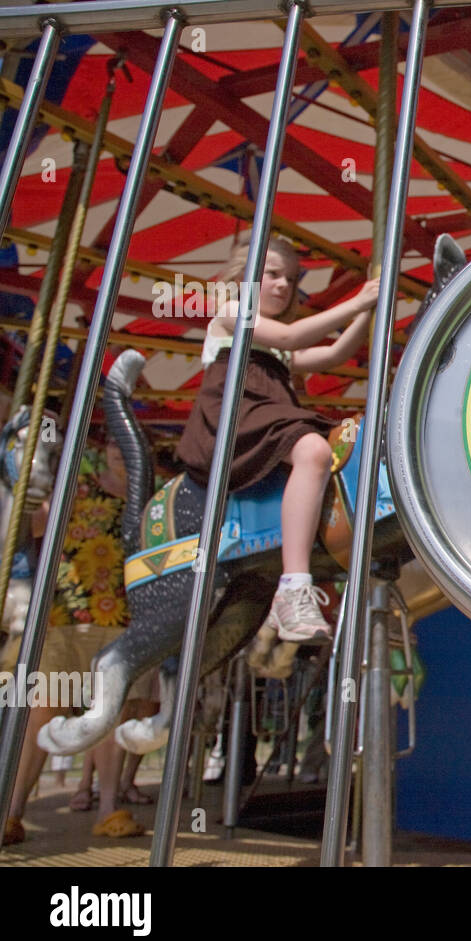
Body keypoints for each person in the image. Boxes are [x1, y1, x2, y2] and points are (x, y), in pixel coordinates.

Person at [176, 237, 379, 644]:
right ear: (242, 278)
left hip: (269, 417)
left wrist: (372, 307)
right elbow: (290, 338)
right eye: (272, 274)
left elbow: (334, 355)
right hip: (237, 414)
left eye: (291, 278)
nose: (284, 285)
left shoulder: (281, 355)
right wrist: (356, 303)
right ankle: (292, 587)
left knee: (339, 448)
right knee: (314, 448)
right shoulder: (231, 313)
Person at [3, 443, 154, 843]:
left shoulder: (148, 498)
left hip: (122, 616)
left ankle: (107, 808)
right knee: (41, 710)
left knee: (109, 713)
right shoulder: (76, 487)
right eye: (117, 446)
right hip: (63, 614)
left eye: (133, 446)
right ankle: (13, 809)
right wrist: (28, 501)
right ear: (105, 450)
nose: (124, 453)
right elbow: (34, 527)